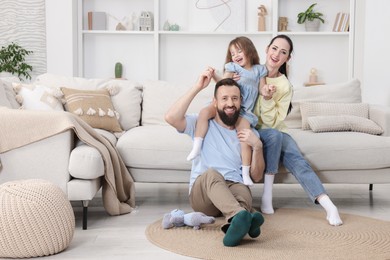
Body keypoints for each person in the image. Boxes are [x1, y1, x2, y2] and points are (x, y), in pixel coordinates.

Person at [165, 67, 265, 247]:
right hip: (204, 193)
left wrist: (257, 146)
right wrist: (197, 87)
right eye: (224, 98)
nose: (230, 103)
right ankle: (243, 216)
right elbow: (171, 117)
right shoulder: (200, 123)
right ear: (215, 102)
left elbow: (256, 176)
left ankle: (236, 224)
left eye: (235, 98)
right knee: (212, 173)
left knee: (244, 191)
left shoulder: (246, 131)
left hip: (233, 187)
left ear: (241, 101)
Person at [253, 34, 343, 226]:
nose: (277, 54)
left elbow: (274, 121)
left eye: (283, 52)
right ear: (267, 49)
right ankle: (267, 197)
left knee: (297, 160)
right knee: (275, 136)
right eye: (274, 48)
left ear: (288, 58)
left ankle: (328, 205)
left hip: (274, 130)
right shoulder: (252, 72)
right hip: (251, 129)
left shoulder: (285, 85)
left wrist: (268, 98)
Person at [186, 36, 267, 187]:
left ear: (249, 51)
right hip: (223, 107)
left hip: (243, 112)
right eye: (233, 53)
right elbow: (223, 83)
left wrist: (267, 91)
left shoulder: (259, 70)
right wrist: (214, 74)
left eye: (239, 51)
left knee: (244, 136)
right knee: (204, 112)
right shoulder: (232, 67)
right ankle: (197, 147)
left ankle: (244, 172)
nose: (236, 55)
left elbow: (262, 89)